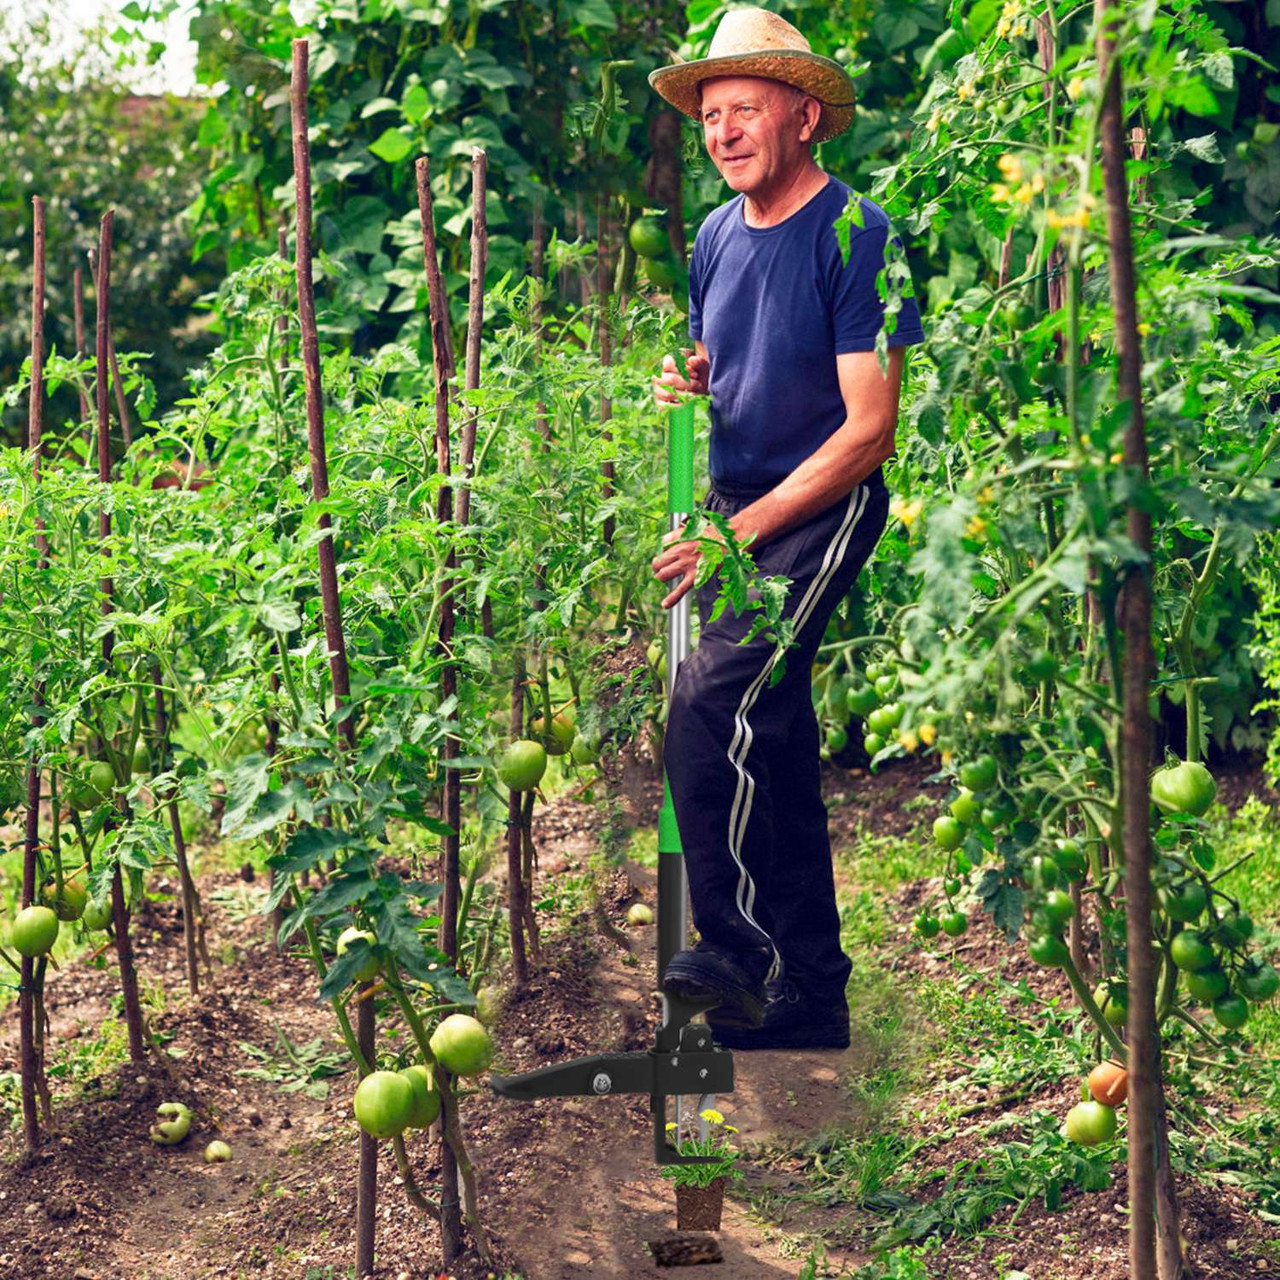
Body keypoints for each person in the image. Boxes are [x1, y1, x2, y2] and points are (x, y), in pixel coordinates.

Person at [646, 8, 926, 1050]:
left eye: (743, 110)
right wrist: (697, 377)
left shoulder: (860, 236)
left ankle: (734, 949)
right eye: (710, 115)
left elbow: (868, 430)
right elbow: (723, 355)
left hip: (816, 505)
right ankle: (812, 993)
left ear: (803, 116)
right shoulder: (716, 235)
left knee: (708, 697)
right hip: (741, 508)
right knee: (770, 734)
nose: (721, 131)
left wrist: (743, 530)